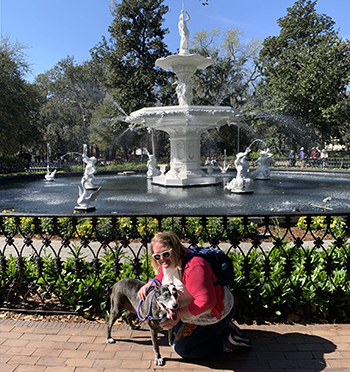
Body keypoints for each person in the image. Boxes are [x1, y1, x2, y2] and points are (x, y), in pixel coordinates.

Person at [137, 231, 251, 359]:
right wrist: (151, 283)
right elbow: (165, 275)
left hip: (214, 310)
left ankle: (229, 343)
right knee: (174, 329)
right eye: (157, 256)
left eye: (166, 254)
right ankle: (225, 330)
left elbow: (206, 302)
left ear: (175, 249)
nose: (162, 259)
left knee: (181, 348)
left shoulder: (195, 266)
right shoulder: (171, 261)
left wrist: (179, 314)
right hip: (198, 310)